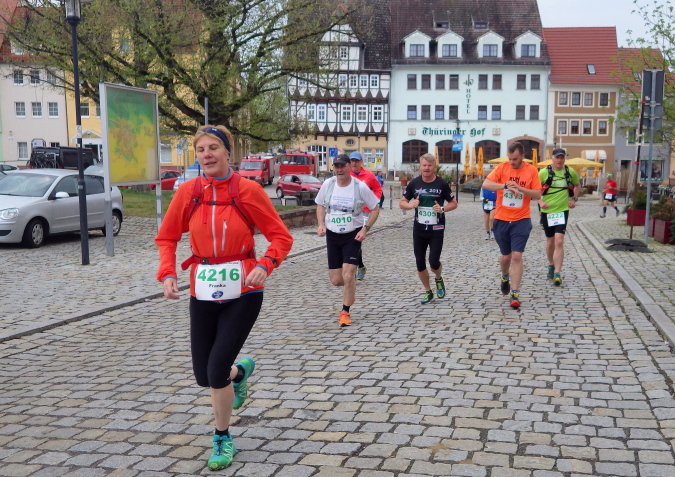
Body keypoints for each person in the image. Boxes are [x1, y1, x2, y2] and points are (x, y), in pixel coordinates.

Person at [155, 125, 293, 471]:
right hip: (203, 290)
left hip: (243, 291)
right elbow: (167, 237)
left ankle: (222, 435)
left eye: (214, 147)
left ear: (228, 152)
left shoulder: (247, 190)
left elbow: (281, 237)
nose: (207, 154)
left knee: (215, 371)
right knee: (204, 375)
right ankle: (239, 372)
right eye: (201, 149)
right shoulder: (188, 192)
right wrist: (167, 273)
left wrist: (265, 264)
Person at [316, 154, 380, 327]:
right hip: (332, 235)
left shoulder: (359, 186)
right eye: (336, 167)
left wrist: (365, 229)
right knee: (337, 280)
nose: (339, 170)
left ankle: (345, 312)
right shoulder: (328, 184)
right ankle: (350, 290)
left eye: (342, 166)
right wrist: (321, 224)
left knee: (348, 274)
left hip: (353, 235)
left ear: (349, 167)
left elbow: (375, 209)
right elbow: (320, 205)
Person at [482, 142, 542, 308]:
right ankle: (504, 276)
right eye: (510, 159)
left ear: (523, 156)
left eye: (515, 159)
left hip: (521, 219)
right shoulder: (502, 168)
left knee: (516, 256)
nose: (512, 162)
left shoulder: (531, 170)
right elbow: (486, 184)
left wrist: (521, 189)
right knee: (506, 257)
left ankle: (514, 294)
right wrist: (505, 185)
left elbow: (538, 194)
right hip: (501, 218)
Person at [399, 153, 457, 304]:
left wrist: (442, 209)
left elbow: (454, 203)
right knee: (420, 262)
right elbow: (402, 202)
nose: (426, 168)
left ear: (434, 167)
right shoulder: (414, 183)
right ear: (420, 167)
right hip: (419, 229)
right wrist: (411, 205)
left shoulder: (441, 184)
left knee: (434, 261)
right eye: (424, 165)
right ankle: (428, 291)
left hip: (436, 228)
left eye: (429, 165)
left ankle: (438, 278)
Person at [537, 148, 581, 286]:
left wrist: (574, 199)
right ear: (552, 158)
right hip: (547, 211)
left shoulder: (569, 172)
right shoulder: (544, 172)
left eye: (562, 157)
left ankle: (557, 273)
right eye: (557, 157)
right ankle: (551, 265)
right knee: (550, 241)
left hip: (562, 210)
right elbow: (534, 189)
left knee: (559, 241)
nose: (560, 160)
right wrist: (540, 202)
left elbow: (577, 185)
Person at [349, 151, 383, 280]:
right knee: (349, 239)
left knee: (357, 238)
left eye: (356, 161)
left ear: (361, 162)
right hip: (350, 211)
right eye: (352, 161)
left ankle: (358, 266)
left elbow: (378, 189)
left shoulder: (369, 175)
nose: (354, 163)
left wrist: (374, 201)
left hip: (365, 211)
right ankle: (358, 265)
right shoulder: (346, 175)